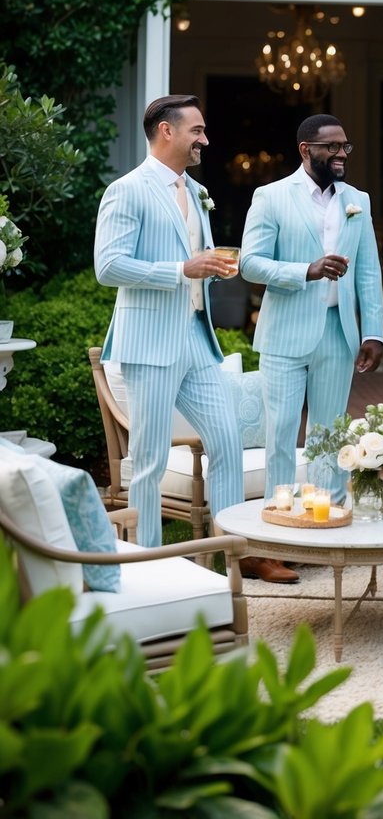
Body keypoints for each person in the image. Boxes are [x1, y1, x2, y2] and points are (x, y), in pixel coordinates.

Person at [94, 94, 244, 550]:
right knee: (150, 460)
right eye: (197, 131)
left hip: (197, 338)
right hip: (149, 341)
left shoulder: (196, 191)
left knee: (228, 441)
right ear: (166, 131)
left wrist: (211, 268)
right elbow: (108, 267)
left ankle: (229, 550)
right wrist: (182, 270)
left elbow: (196, 258)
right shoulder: (127, 189)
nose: (205, 140)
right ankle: (149, 559)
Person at [240, 114, 383, 543]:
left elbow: (367, 271)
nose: (341, 154)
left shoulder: (357, 200)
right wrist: (306, 269)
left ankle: (327, 521)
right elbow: (250, 263)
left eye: (345, 146)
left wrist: (372, 332)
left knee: (329, 433)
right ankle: (279, 528)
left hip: (338, 333)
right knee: (282, 431)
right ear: (306, 150)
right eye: (332, 147)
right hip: (285, 332)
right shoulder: (271, 196)